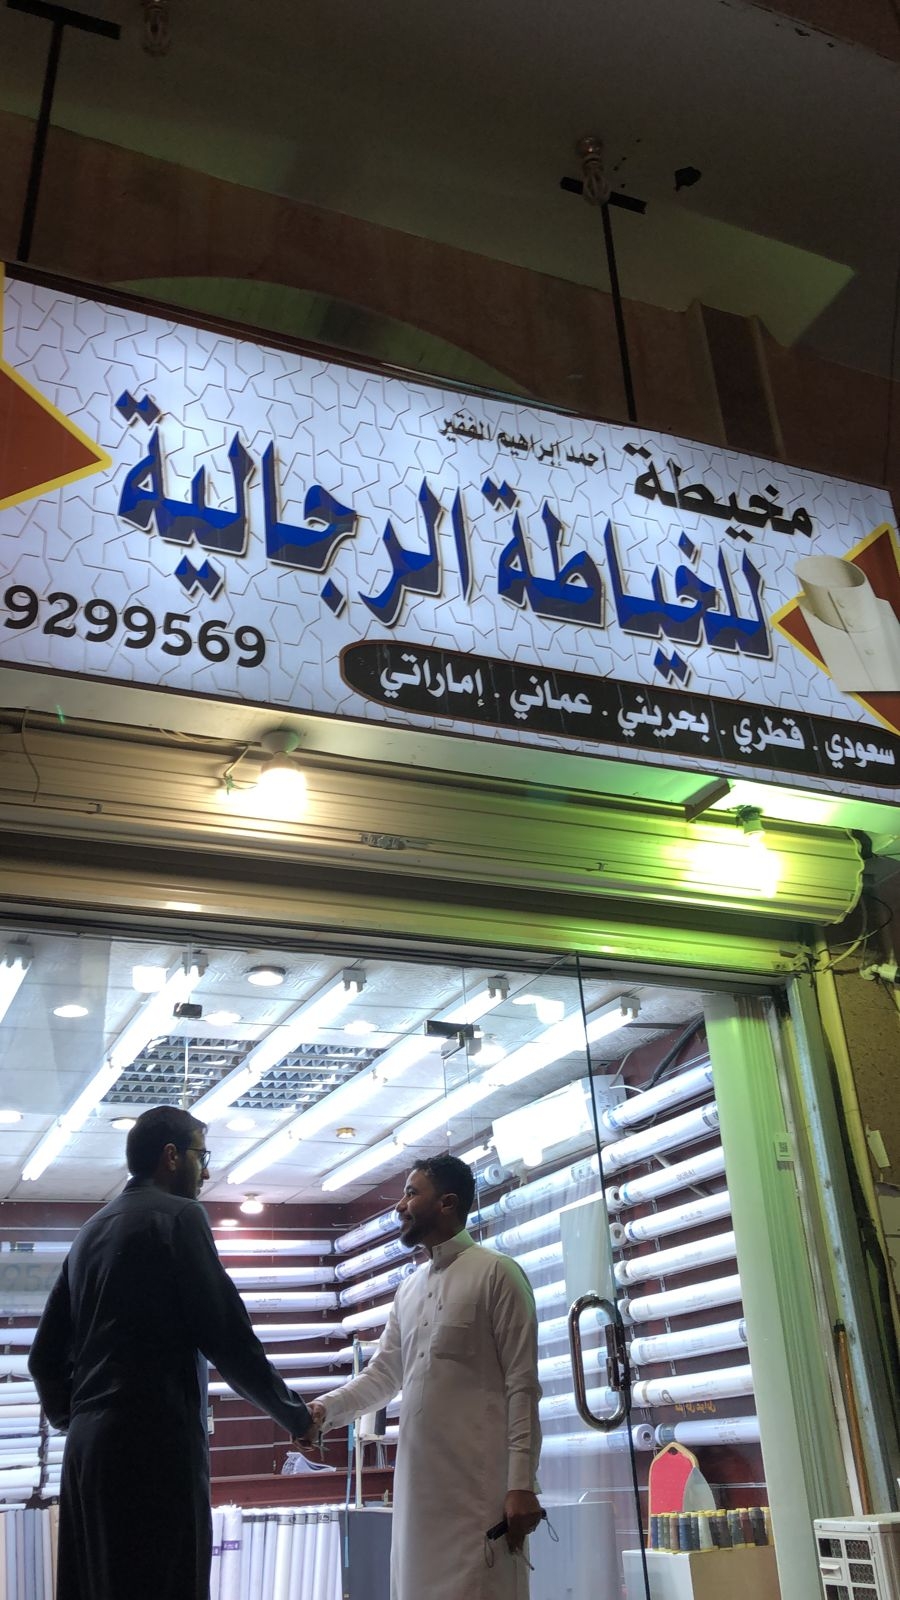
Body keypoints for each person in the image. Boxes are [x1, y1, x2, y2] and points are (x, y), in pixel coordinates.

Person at [28, 1104, 316, 1600]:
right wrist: (295, 1416)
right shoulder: (180, 1216)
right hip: (153, 1448)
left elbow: (43, 1359)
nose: (206, 1173)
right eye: (203, 1156)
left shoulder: (90, 1231)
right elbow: (227, 1336)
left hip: (86, 1455)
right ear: (171, 1156)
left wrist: (83, 1419)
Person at [310, 1154, 543, 1600]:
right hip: (418, 1493)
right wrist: (325, 1411)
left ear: (447, 1203)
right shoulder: (410, 1287)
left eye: (411, 1193)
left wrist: (521, 1485)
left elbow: (523, 1386)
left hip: (480, 1493)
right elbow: (383, 1375)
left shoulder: (498, 1273)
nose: (400, 1206)